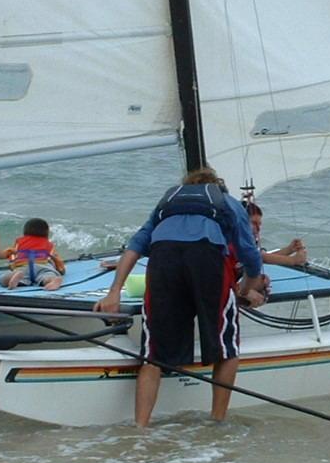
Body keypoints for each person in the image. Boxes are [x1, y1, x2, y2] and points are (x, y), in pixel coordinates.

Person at [95, 167, 266, 426]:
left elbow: (134, 248)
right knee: (226, 346)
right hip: (208, 260)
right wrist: (242, 292)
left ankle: (140, 427)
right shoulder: (228, 202)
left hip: (163, 260)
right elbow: (250, 257)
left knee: (153, 354)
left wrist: (114, 292)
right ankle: (217, 421)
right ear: (217, 185)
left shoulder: (166, 204)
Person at [0, 218, 66, 291]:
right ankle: (52, 280)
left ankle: (14, 276)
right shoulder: (48, 245)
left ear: (25, 232)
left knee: (2, 280)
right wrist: (61, 270)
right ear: (46, 233)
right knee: (48, 275)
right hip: (42, 266)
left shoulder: (19, 244)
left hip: (23, 267)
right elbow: (59, 265)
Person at [243, 201, 307, 268]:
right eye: (254, 223)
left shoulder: (247, 240)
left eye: (259, 224)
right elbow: (260, 257)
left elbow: (262, 258)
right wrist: (293, 260)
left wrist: (289, 249)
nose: (258, 228)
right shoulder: (237, 240)